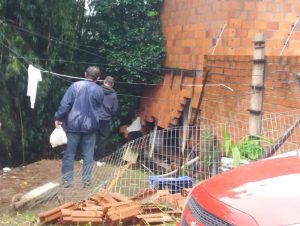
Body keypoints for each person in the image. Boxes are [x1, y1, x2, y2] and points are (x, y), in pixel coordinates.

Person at [54, 66, 104, 188]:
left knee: (69, 154)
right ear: (98, 78)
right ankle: (87, 182)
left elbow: (65, 105)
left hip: (73, 125)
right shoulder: (99, 90)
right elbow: (98, 108)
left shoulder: (74, 86)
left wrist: (58, 118)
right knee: (88, 155)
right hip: (91, 127)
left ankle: (67, 181)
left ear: (85, 74)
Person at [94, 76, 118, 166]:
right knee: (102, 140)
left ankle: (86, 158)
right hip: (106, 120)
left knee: (91, 138)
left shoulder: (97, 90)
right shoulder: (114, 94)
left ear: (104, 82)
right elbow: (114, 110)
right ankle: (99, 160)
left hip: (95, 118)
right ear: (112, 85)